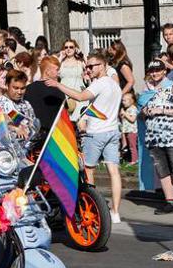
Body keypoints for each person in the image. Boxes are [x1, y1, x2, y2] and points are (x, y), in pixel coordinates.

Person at [51, 52, 124, 215]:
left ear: (103, 65)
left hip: (96, 133)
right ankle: (115, 211)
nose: (88, 69)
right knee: (114, 171)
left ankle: (93, 208)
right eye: (87, 66)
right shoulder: (114, 85)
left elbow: (80, 96)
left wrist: (58, 85)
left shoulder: (100, 83)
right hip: (112, 131)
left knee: (89, 170)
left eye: (92, 66)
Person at [137, 60, 173, 213]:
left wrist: (162, 110)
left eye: (158, 70)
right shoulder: (147, 89)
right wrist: (144, 111)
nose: (154, 73)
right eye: (152, 71)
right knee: (163, 171)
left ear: (164, 71)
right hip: (154, 137)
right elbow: (140, 112)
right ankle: (170, 202)